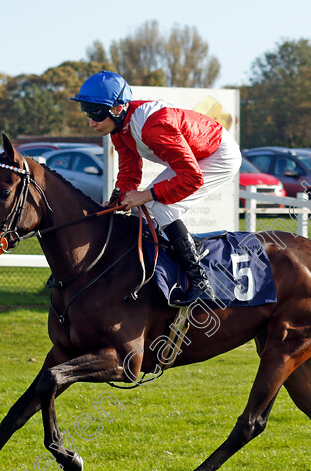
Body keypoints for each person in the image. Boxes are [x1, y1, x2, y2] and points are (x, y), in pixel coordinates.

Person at [70, 71, 242, 304]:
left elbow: (192, 178)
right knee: (141, 208)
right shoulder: (118, 129)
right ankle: (153, 275)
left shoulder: (153, 126)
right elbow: (129, 172)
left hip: (219, 154)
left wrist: (146, 194)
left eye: (96, 114)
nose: (91, 123)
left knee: (159, 208)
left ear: (118, 108)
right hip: (196, 156)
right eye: (87, 114)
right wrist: (115, 201)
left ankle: (201, 283)